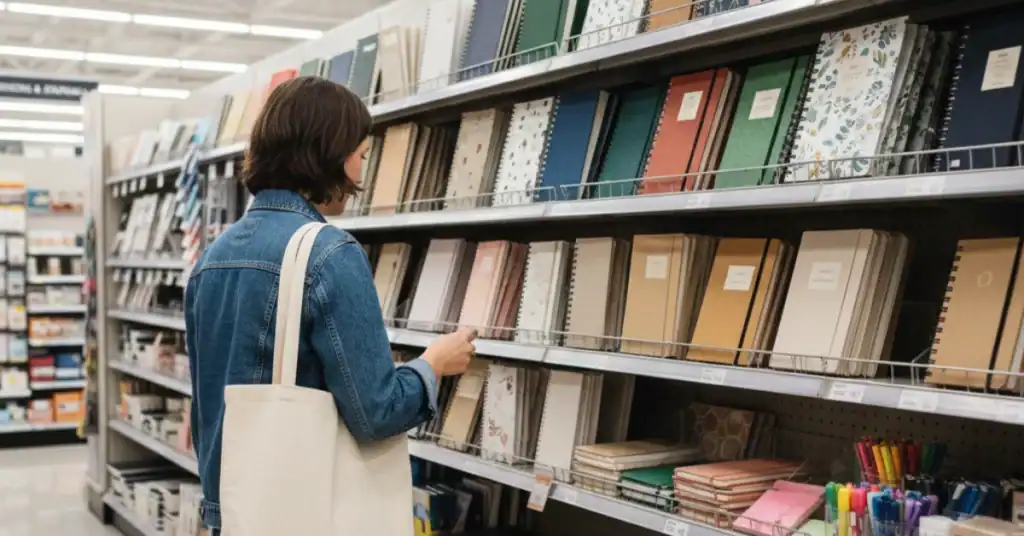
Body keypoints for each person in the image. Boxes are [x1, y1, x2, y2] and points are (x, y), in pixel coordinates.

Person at [183, 76, 478, 534]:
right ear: (329, 154)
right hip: (307, 513)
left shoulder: (211, 259)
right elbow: (377, 413)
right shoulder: (329, 254)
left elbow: (208, 404)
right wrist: (432, 366)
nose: (361, 175)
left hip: (237, 513)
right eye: (360, 155)